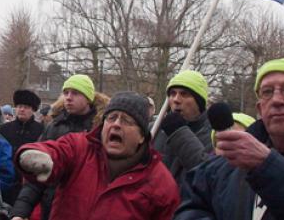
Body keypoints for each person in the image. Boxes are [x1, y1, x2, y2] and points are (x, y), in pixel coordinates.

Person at [177, 58, 284, 219]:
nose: (276, 100)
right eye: (267, 92)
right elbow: (191, 208)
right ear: (260, 109)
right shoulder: (225, 166)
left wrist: (267, 166)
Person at [15, 92, 179, 220]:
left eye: (127, 120)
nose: (116, 124)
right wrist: (34, 154)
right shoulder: (79, 147)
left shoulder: (160, 182)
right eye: (111, 118)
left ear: (142, 136)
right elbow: (56, 151)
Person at [11, 74, 110, 220]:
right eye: (66, 93)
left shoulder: (101, 130)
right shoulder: (53, 127)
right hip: (51, 209)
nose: (68, 97)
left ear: (88, 98)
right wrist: (20, 212)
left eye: (75, 93)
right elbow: (37, 175)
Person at [153, 69, 213, 186]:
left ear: (199, 102)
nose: (176, 100)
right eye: (172, 94)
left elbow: (206, 175)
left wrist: (179, 134)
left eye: (184, 94)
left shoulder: (213, 136)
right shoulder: (155, 129)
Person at [0, 89, 44, 203]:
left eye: (26, 107)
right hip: (6, 184)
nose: (22, 109)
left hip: (30, 185)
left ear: (33, 110)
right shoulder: (4, 129)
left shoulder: (41, 131)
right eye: (19, 106)